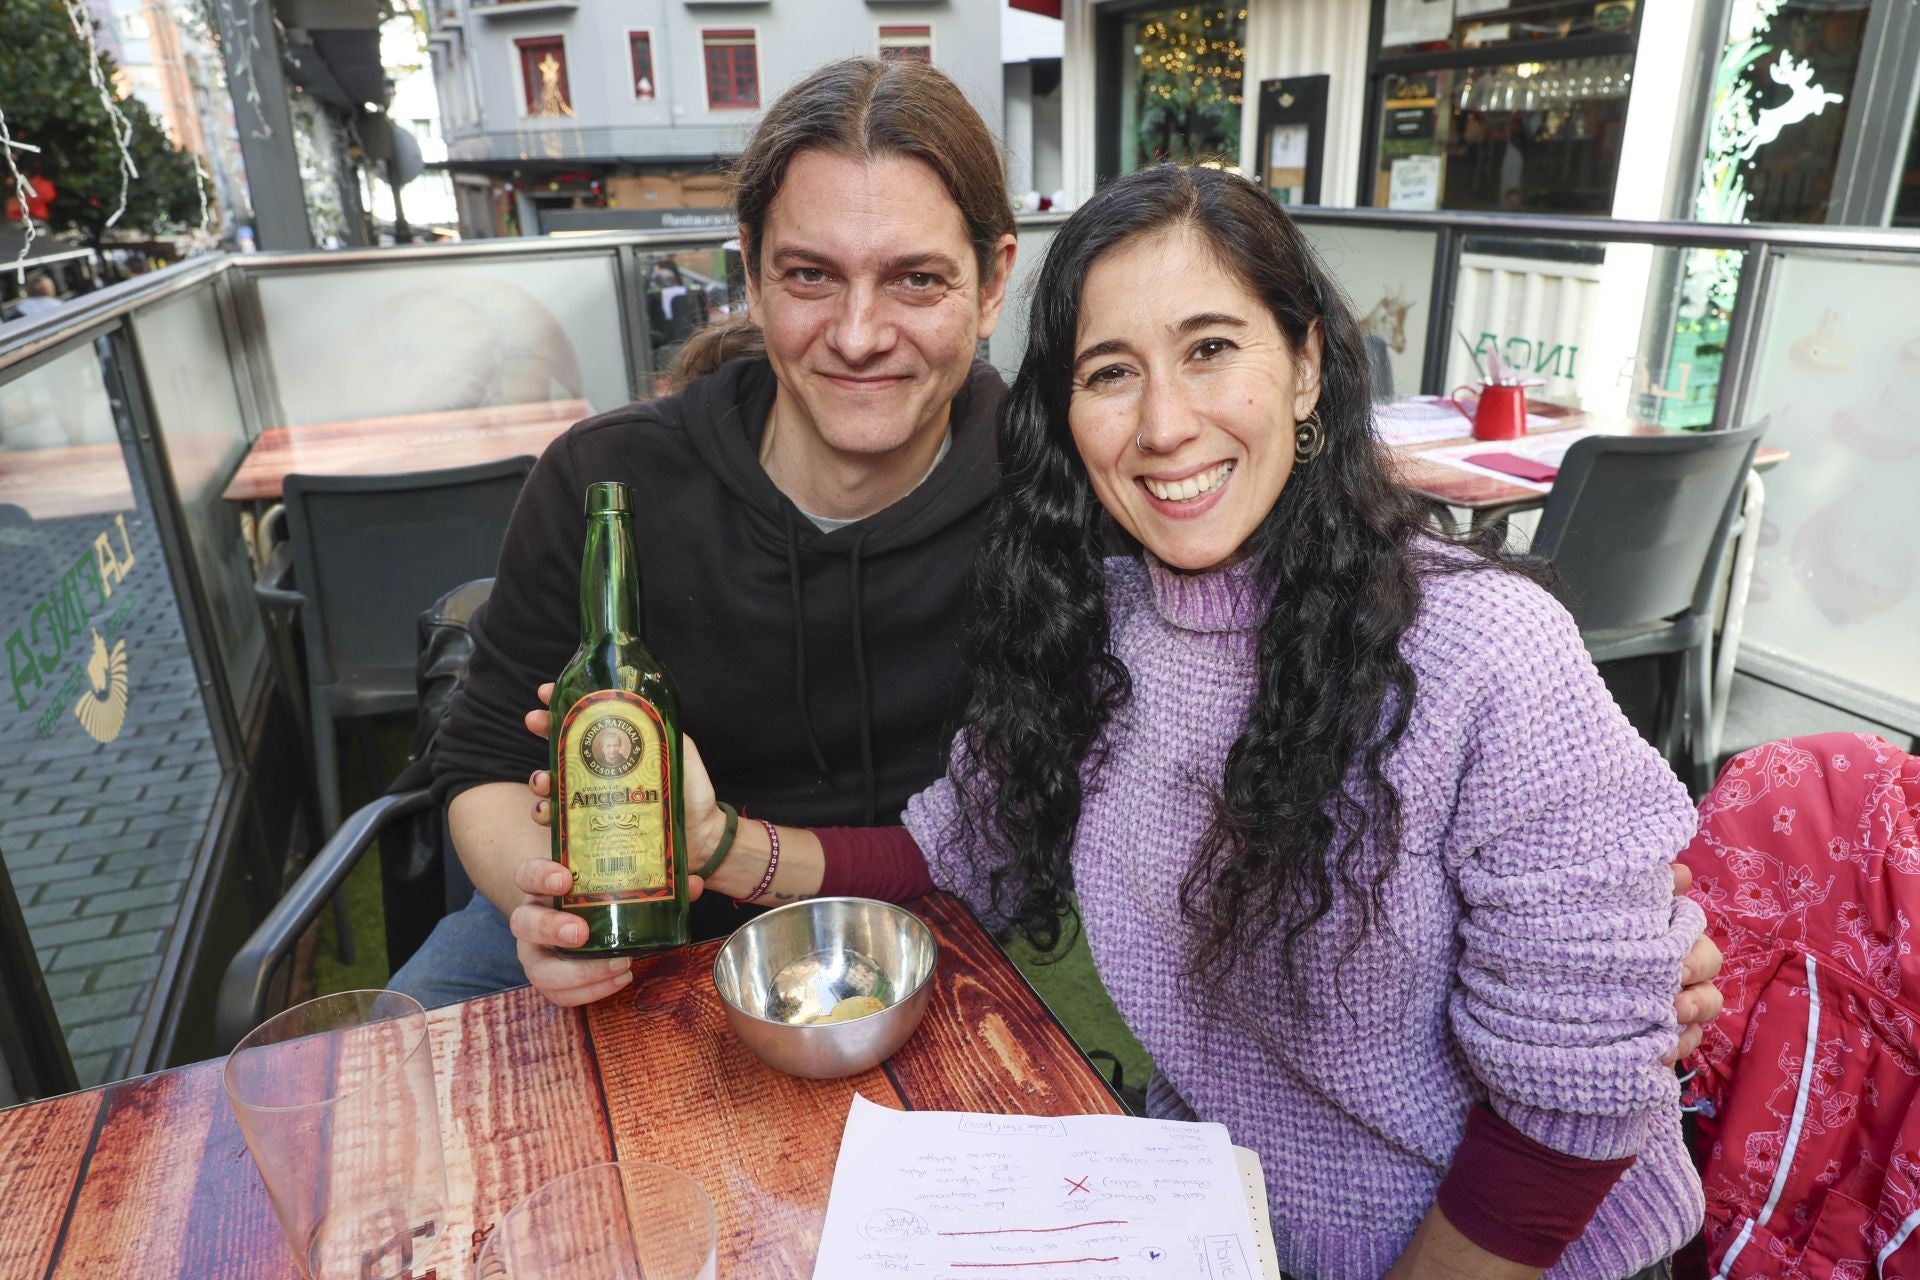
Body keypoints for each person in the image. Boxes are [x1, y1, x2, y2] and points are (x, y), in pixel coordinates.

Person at [527, 165, 1715, 1279]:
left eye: (1210, 349)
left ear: (1305, 367)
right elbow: (959, 850)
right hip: (1223, 1222)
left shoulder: (1487, 651)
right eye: (1110, 371)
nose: (1163, 425)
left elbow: (1571, 1103)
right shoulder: (1105, 620)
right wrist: (719, 840)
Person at [390, 56, 1020, 1010]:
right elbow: (478, 762)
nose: (858, 334)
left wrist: (720, 848)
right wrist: (550, 908)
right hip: (614, 908)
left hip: (899, 928)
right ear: (752, 274)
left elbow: (1014, 833)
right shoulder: (606, 482)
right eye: (811, 275)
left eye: (915, 280)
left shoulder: (1048, 498)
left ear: (991, 284)